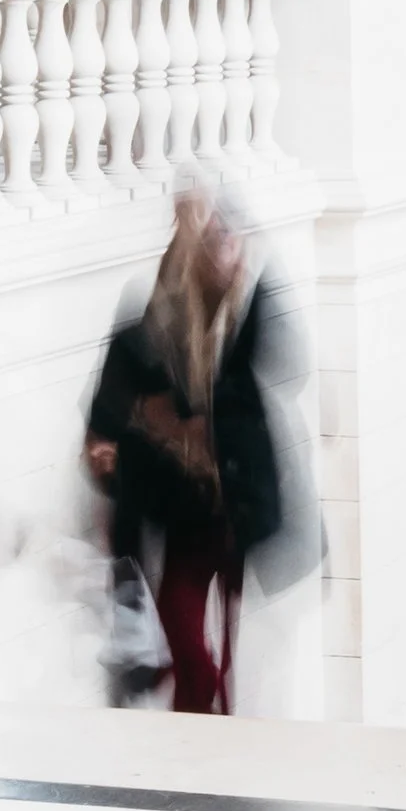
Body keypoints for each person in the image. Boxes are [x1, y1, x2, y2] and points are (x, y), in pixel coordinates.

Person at [86, 165, 298, 716]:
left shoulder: (250, 311)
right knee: (186, 628)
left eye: (220, 236)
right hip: (186, 504)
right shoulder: (161, 307)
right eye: (201, 235)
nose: (212, 248)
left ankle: (206, 724)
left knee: (225, 647)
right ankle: (196, 721)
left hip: (236, 503)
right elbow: (119, 390)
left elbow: (283, 369)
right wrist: (141, 426)